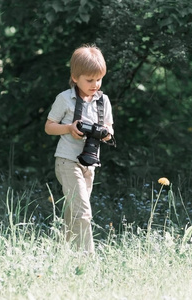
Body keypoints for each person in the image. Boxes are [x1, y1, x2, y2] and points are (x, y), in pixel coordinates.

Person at [44, 44, 114, 254]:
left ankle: (60, 254)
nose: (95, 84)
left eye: (99, 79)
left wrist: (104, 133)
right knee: (83, 212)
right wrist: (69, 128)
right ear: (75, 77)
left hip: (89, 163)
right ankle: (88, 259)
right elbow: (48, 127)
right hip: (67, 161)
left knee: (73, 214)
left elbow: (110, 130)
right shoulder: (64, 98)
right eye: (89, 80)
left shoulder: (104, 101)